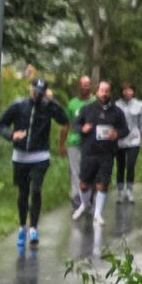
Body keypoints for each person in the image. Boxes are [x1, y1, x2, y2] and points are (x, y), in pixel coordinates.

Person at [0, 77, 68, 247]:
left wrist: (52, 101)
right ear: (30, 89)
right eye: (35, 91)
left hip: (40, 156)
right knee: (23, 193)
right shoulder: (19, 106)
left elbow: (64, 120)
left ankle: (33, 228)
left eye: (40, 93)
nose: (37, 95)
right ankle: (22, 226)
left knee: (35, 190)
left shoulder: (48, 106)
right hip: (20, 156)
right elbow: (1, 124)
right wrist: (11, 135)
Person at [71, 80, 130, 224]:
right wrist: (82, 129)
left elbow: (125, 130)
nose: (104, 94)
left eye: (107, 91)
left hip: (107, 154)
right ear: (97, 92)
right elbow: (75, 124)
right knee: (84, 184)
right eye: (102, 91)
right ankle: (85, 205)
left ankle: (97, 214)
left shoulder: (117, 112)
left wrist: (117, 134)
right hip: (89, 152)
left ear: (110, 93)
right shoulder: (87, 109)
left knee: (102, 185)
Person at [61, 75, 93, 210]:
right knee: (75, 171)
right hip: (74, 141)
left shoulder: (96, 101)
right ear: (79, 86)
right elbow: (66, 125)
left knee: (89, 170)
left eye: (88, 84)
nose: (85, 87)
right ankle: (76, 197)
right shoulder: (72, 104)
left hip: (91, 142)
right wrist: (61, 143)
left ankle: (89, 196)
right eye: (83, 84)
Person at [115, 84, 142, 202]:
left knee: (131, 164)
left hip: (134, 138)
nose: (127, 92)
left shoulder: (139, 104)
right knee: (120, 165)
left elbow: (141, 123)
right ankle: (120, 191)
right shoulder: (116, 105)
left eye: (130, 90)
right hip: (120, 139)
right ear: (122, 92)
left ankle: (129, 189)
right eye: (125, 90)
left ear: (133, 92)